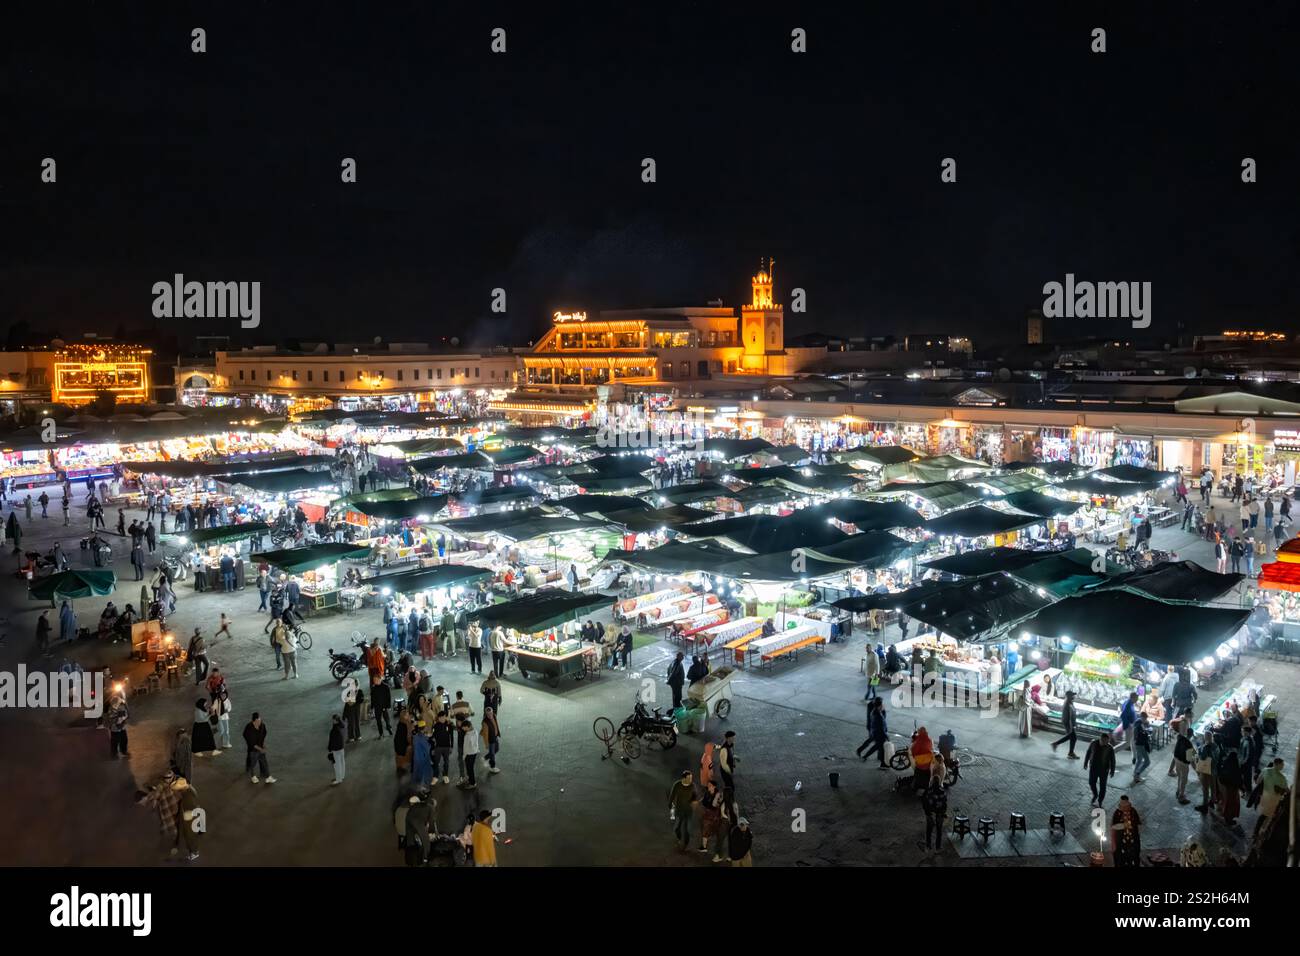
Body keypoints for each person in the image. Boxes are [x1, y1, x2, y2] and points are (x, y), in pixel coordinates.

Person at [1084, 732, 1117, 807]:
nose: (1106, 743)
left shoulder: (1110, 748)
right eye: (1104, 741)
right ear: (1100, 739)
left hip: (1104, 770)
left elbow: (1113, 760)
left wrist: (1112, 770)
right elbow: (1088, 753)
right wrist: (1085, 763)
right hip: (1093, 768)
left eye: (1107, 741)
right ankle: (1095, 795)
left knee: (1103, 787)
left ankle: (1100, 800)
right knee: (1091, 783)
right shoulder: (1093, 743)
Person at [243, 713, 275, 784]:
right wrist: (261, 749)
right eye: (258, 720)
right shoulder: (249, 728)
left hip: (259, 747)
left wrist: (263, 744)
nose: (260, 722)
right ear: (254, 721)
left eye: (260, 720)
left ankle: (268, 777)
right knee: (253, 763)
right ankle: (253, 776)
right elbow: (252, 743)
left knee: (264, 762)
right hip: (253, 749)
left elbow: (263, 735)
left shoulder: (262, 726)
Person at [1110, 795, 1142, 867]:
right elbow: (1113, 828)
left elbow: (1137, 824)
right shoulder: (1117, 813)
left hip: (1133, 840)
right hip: (1120, 841)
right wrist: (1113, 844)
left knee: (1134, 857)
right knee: (1120, 859)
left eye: (1127, 806)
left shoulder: (1133, 811)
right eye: (1123, 807)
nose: (1125, 809)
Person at [668, 770, 695, 850]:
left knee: (687, 829)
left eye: (691, 778)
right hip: (679, 810)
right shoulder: (677, 785)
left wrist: (693, 802)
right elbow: (672, 797)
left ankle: (685, 844)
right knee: (677, 828)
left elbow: (695, 796)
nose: (691, 780)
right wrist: (671, 810)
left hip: (688, 811)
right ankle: (679, 839)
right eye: (689, 778)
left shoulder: (692, 786)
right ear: (684, 778)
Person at [1194, 731, 1219, 814]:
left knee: (1205, 788)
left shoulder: (1205, 747)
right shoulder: (1216, 746)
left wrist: (1199, 751)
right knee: (1213, 787)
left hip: (1206, 770)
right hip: (1214, 770)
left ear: (1206, 737)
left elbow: (1202, 757)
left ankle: (1205, 806)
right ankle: (1212, 802)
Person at [921, 774, 947, 851]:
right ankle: (938, 847)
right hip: (939, 813)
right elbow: (944, 803)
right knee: (939, 830)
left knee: (929, 829)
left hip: (930, 813)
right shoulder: (942, 791)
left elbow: (924, 802)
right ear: (939, 782)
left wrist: (927, 813)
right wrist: (943, 813)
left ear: (932, 782)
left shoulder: (928, 791)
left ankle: (928, 845)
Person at [1051, 690, 1079, 757]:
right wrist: (1070, 727)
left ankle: (1056, 744)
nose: (1073, 696)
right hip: (1068, 723)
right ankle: (1070, 752)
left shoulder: (1071, 703)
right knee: (1073, 737)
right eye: (1072, 695)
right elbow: (1068, 716)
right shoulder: (1067, 704)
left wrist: (1074, 724)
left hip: (1071, 723)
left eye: (1073, 695)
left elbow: (1073, 713)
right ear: (1069, 696)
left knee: (1072, 737)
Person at [1171, 722, 1194, 804]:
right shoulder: (1189, 744)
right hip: (1183, 763)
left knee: (1179, 777)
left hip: (1177, 760)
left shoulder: (1180, 738)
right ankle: (1181, 796)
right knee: (1184, 779)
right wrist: (1197, 769)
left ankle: (1178, 790)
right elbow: (1190, 759)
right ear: (1191, 735)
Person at [107, 693, 130, 758]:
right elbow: (111, 719)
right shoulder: (111, 709)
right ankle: (114, 754)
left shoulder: (122, 707)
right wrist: (118, 724)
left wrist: (123, 722)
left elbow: (127, 716)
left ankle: (123, 751)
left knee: (124, 739)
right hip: (115, 728)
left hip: (122, 727)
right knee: (115, 741)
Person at [460, 717, 480, 789]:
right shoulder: (475, 731)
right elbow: (476, 743)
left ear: (467, 727)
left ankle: (472, 783)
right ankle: (470, 780)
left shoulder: (467, 736)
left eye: (463, 728)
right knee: (471, 768)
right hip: (474, 752)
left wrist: (464, 756)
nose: (463, 729)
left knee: (469, 769)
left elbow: (465, 748)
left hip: (469, 755)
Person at [371, 673, 392, 738]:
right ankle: (381, 733)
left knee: (386, 719)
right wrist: (372, 707)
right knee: (378, 721)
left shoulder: (386, 687)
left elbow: (388, 697)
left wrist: (388, 706)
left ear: (380, 679)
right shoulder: (373, 688)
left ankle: (388, 728)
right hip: (377, 707)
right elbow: (372, 698)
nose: (375, 681)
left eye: (376, 680)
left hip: (384, 706)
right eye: (374, 680)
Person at [481, 708, 501, 774]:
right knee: (492, 754)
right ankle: (492, 767)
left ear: (492, 712)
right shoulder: (485, 722)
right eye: (488, 714)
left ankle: (485, 758)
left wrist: (497, 733)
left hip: (495, 737)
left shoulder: (494, 716)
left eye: (490, 713)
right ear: (486, 714)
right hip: (490, 739)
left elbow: (496, 724)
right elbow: (485, 735)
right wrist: (486, 744)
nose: (489, 715)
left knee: (497, 749)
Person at [328, 715, 346, 785]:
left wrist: (330, 748)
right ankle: (342, 776)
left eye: (333, 720)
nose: (332, 721)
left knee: (337, 764)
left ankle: (338, 779)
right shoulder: (342, 726)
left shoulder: (334, 730)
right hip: (341, 747)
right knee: (342, 761)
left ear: (336, 720)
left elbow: (332, 740)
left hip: (336, 749)